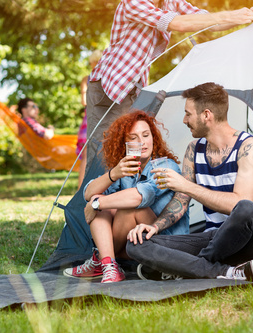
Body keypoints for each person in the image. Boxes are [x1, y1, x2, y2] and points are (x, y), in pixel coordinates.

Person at [85, 0, 253, 176]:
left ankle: (118, 201)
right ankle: (91, 203)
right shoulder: (133, 2)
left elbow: (208, 22)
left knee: (129, 150)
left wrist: (245, 16)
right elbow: (175, 23)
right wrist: (229, 15)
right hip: (110, 87)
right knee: (103, 154)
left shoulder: (171, 2)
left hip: (132, 89)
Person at [126, 82, 253, 282]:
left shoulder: (249, 146)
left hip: (248, 238)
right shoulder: (194, 150)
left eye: (188, 114)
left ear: (206, 115)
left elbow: (239, 204)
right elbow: (181, 201)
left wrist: (185, 185)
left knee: (246, 208)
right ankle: (225, 271)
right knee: (137, 243)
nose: (185, 120)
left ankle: (186, 268)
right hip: (212, 239)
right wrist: (155, 227)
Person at [64, 110, 189, 283]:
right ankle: (108, 264)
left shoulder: (165, 166)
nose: (141, 142)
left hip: (166, 244)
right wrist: (113, 175)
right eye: (133, 137)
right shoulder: (127, 168)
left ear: (153, 137)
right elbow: (88, 193)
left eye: (146, 135)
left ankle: (101, 259)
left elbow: (140, 197)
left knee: (124, 207)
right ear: (124, 143)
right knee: (99, 200)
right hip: (136, 241)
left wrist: (96, 204)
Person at [77, 50, 103, 189]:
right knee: (87, 154)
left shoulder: (88, 79)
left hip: (93, 117)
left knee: (90, 155)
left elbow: (84, 100)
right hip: (94, 118)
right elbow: (84, 101)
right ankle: (81, 190)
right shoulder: (106, 79)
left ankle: (90, 188)